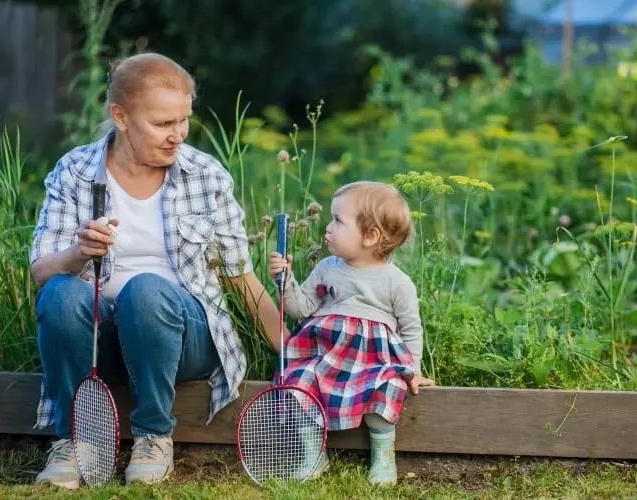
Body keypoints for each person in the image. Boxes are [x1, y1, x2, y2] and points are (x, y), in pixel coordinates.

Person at [30, 52, 284, 489]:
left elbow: (242, 279)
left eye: (183, 120)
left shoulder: (205, 175)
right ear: (121, 117)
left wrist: (294, 354)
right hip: (100, 342)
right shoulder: (74, 171)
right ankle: (75, 440)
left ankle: (153, 435)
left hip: (185, 340)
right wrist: (78, 252)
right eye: (163, 124)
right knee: (60, 292)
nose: (178, 136)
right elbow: (41, 273)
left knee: (146, 291)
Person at [268, 181, 434, 485]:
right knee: (299, 383)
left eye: (338, 221)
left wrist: (413, 370)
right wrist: (286, 281)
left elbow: (411, 328)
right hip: (325, 359)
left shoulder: (397, 282)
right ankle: (313, 455)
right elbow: (302, 308)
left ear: (370, 237)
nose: (328, 228)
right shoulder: (327, 268)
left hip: (372, 363)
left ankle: (383, 457)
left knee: (386, 388)